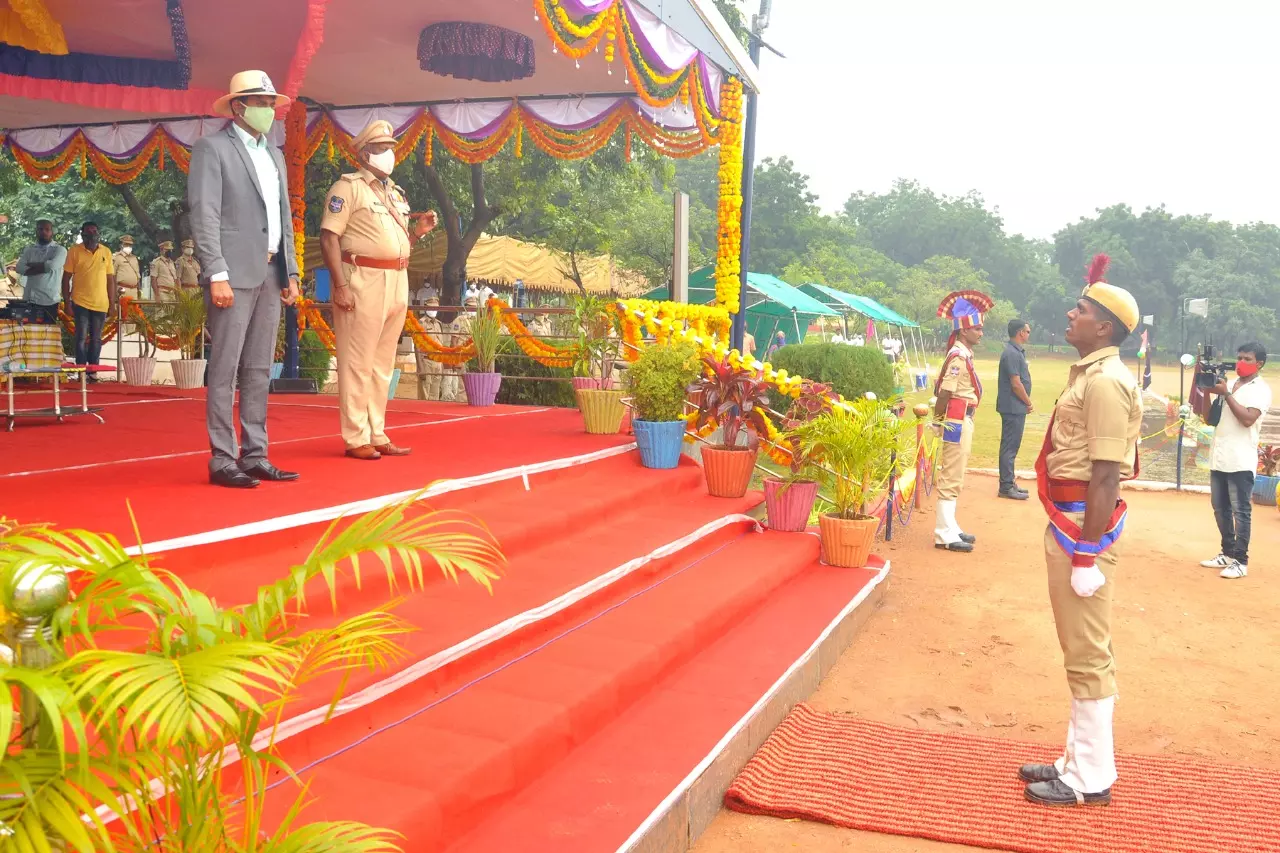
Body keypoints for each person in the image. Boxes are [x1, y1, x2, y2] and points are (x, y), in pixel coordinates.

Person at [1019, 254, 1141, 808]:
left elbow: (1106, 473)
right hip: (1069, 525)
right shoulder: (1091, 375)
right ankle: (1076, 757)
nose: (1071, 314)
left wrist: (1087, 552)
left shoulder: (1107, 382)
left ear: (1105, 327)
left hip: (1082, 533)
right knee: (1078, 648)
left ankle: (1090, 778)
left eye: (1081, 309)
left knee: (1087, 653)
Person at [188, 70, 300, 489]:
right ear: (238, 106)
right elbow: (205, 213)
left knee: (257, 368)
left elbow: (283, 217)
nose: (269, 110)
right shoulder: (212, 148)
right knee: (225, 367)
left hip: (271, 271)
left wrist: (290, 270)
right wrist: (215, 271)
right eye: (261, 102)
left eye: (272, 103)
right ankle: (222, 457)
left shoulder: (274, 155)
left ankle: (256, 453)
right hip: (230, 273)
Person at [320, 119, 438, 459]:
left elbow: (395, 245)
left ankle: (377, 431)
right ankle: (356, 436)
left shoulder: (394, 193)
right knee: (358, 361)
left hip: (396, 279)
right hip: (362, 279)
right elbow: (329, 238)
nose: (389, 154)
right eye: (381, 148)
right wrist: (339, 286)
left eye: (391, 147)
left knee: (383, 363)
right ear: (364, 152)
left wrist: (417, 233)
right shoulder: (348, 188)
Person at [1201, 342, 1272, 579]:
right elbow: (1210, 419)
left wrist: (1227, 394)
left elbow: (1248, 419)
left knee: (1241, 511)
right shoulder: (1228, 383)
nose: (1241, 361)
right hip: (1219, 456)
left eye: (1247, 358)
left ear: (1259, 363)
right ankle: (1227, 552)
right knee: (1220, 508)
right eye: (1239, 356)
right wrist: (1203, 390)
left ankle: (1241, 560)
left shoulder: (1261, 389)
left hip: (1241, 459)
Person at [932, 290, 993, 553]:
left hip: (962, 415)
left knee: (957, 472)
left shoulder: (963, 353)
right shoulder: (958, 357)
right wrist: (937, 421)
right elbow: (946, 391)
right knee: (951, 474)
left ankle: (951, 526)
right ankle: (944, 532)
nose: (981, 333)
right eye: (977, 328)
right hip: (956, 418)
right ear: (964, 330)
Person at [61, 222, 116, 376]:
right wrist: (67, 302)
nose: (92, 234)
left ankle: (93, 372)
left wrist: (112, 304)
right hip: (80, 302)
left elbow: (110, 279)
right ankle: (80, 371)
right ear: (83, 234)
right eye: (89, 232)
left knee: (96, 339)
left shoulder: (106, 251)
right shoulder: (74, 251)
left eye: (95, 231)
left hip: (101, 303)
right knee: (80, 337)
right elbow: (66, 279)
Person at [996, 318, 1034, 500]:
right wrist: (1028, 402)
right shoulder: (1011, 353)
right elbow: (1016, 383)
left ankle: (1009, 481)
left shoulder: (1016, 352)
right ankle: (1006, 486)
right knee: (1009, 447)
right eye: (1027, 331)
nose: (1028, 334)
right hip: (1013, 406)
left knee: (1012, 446)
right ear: (1020, 332)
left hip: (1015, 406)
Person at [16, 219, 66, 323]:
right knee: (28, 334)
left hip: (49, 300)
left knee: (47, 335)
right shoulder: (29, 250)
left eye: (47, 229)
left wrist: (30, 266)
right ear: (36, 231)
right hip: (29, 299)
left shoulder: (60, 250)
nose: (44, 232)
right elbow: (19, 268)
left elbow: (52, 266)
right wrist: (44, 266)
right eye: (40, 229)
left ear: (52, 232)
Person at [415, 296, 445, 401]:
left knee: (435, 396)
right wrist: (420, 367)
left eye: (435, 308)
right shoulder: (421, 323)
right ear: (425, 307)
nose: (433, 310)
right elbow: (417, 345)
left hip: (438, 362)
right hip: (426, 362)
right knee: (424, 394)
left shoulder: (438, 323)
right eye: (431, 308)